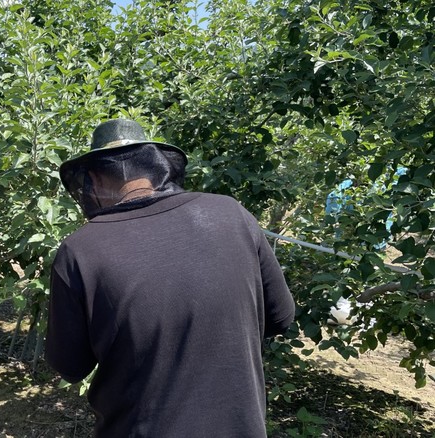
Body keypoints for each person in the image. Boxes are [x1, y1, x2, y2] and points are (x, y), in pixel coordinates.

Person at [45, 119, 295, 437]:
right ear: (156, 168)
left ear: (92, 179)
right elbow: (281, 317)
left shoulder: (81, 251)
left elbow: (70, 366)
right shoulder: (232, 214)